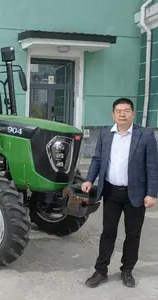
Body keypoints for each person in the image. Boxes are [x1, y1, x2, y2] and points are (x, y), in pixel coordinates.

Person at [82, 97, 158, 288]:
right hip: (111, 192)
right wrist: (89, 179)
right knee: (108, 232)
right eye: (118, 110)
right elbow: (97, 159)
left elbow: (152, 166)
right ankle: (101, 271)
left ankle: (127, 270)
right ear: (113, 114)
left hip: (136, 194)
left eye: (126, 110)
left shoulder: (146, 135)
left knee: (133, 234)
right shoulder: (106, 134)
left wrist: (152, 193)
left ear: (133, 113)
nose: (122, 114)